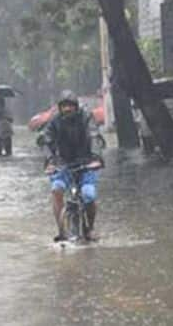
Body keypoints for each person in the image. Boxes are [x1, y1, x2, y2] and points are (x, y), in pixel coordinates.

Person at [42, 90, 98, 242]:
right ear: (60, 108)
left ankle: (90, 228)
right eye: (64, 106)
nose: (67, 109)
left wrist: (95, 157)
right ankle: (61, 229)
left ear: (76, 106)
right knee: (56, 189)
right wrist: (50, 160)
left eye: (70, 106)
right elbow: (46, 142)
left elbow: (94, 136)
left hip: (86, 163)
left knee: (89, 194)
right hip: (63, 164)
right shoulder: (54, 121)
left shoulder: (86, 117)